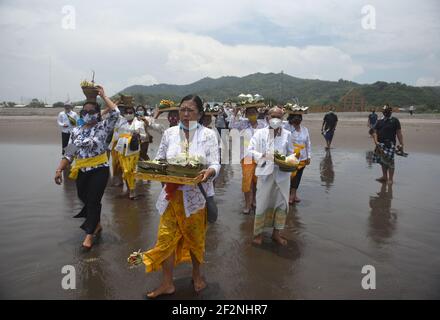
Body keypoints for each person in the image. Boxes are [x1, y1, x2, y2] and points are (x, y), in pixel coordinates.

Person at [142, 94, 220, 298]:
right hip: (171, 195)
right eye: (182, 109)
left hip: (196, 198)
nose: (185, 114)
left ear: (200, 113)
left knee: (195, 238)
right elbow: (160, 159)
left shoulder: (209, 135)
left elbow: (215, 163)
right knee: (165, 238)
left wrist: (209, 173)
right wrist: (154, 170)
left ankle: (197, 275)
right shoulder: (169, 134)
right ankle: (167, 283)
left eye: (190, 110)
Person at [54, 86, 119, 249]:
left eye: (92, 111)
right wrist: (59, 169)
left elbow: (116, 113)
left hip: (99, 169)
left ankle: (89, 235)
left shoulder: (103, 127)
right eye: (85, 112)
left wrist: (103, 96)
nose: (88, 114)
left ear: (98, 113)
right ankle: (96, 223)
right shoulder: (76, 131)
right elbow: (69, 153)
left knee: (93, 200)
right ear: (81, 114)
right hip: (81, 171)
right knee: (83, 197)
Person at [248, 106, 294, 246]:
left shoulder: (287, 134)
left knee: (281, 203)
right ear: (267, 117)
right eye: (272, 116)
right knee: (262, 203)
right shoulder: (259, 133)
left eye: (278, 117)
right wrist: (262, 155)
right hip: (265, 173)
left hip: (282, 175)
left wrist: (288, 161)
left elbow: (291, 153)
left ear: (282, 118)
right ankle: (258, 234)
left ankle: (276, 234)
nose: (275, 119)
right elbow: (250, 151)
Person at [229, 105, 267, 214]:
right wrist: (235, 113)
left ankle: (254, 199)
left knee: (257, 181)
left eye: (253, 112)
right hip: (246, 156)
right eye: (249, 113)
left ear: (257, 113)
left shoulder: (263, 125)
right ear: (246, 115)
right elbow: (231, 125)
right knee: (247, 180)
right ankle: (247, 204)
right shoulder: (243, 124)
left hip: (260, 156)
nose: (251, 115)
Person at [114, 105, 146, 199]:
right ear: (124, 114)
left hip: (133, 150)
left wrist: (139, 135)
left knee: (130, 170)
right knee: (125, 170)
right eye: (126, 112)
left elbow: (144, 136)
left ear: (134, 113)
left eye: (130, 112)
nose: (128, 114)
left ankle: (132, 190)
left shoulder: (139, 123)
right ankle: (128, 190)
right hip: (121, 149)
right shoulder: (121, 122)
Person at [372, 104, 404, 185]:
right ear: (383, 112)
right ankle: (384, 177)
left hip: (390, 144)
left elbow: (399, 133)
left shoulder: (395, 120)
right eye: (384, 111)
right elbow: (374, 132)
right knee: (383, 161)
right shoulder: (379, 121)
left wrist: (401, 144)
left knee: (390, 162)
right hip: (380, 144)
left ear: (390, 111)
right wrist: (376, 141)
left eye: (387, 111)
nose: (386, 112)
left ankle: (390, 179)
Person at [283, 112, 311, 204]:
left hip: (302, 157)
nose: (297, 119)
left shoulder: (305, 129)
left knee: (298, 176)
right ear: (291, 119)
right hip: (291, 156)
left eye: (299, 117)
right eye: (295, 118)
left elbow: (308, 143)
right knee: (290, 176)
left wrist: (309, 156)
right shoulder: (287, 128)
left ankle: (293, 194)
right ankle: (288, 194)